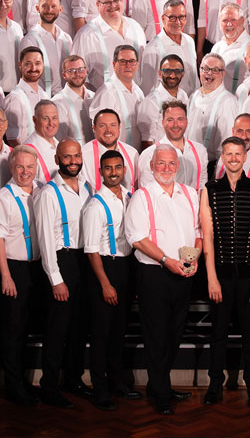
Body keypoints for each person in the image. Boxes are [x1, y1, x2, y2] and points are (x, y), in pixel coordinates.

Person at [125, 146, 202, 415]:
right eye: (161, 163)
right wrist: (166, 261)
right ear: (152, 165)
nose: (166, 168)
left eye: (171, 164)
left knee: (174, 333)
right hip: (155, 274)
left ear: (178, 166)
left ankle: (162, 385)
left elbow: (198, 231)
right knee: (156, 334)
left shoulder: (190, 194)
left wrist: (196, 256)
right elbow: (136, 237)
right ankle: (159, 392)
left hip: (184, 273)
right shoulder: (142, 197)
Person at [200, 136, 250, 408]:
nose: (233, 158)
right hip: (219, 275)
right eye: (228, 153)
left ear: (245, 156)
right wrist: (211, 278)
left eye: (237, 154)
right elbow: (207, 237)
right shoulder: (209, 189)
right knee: (217, 333)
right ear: (222, 156)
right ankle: (214, 384)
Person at [34, 139, 94, 407]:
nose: (73, 161)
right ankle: (49, 386)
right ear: (57, 160)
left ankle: (73, 378)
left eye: (77, 156)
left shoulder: (88, 188)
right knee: (57, 329)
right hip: (62, 261)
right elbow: (45, 239)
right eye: (67, 157)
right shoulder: (48, 192)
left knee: (80, 327)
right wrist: (55, 278)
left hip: (85, 261)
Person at [82, 151, 142, 410]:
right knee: (101, 332)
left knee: (119, 330)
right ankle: (101, 388)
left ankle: (117, 382)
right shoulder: (95, 205)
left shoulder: (130, 197)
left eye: (118, 167)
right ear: (101, 171)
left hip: (127, 265)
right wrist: (105, 283)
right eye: (108, 168)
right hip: (105, 267)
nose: (114, 172)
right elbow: (91, 249)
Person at [0, 146, 42, 406]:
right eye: (20, 167)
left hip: (36, 268)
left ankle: (27, 382)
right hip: (14, 268)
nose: (25, 172)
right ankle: (14, 386)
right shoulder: (2, 198)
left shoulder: (42, 191)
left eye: (30, 167)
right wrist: (5, 276)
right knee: (13, 330)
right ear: (11, 168)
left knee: (29, 328)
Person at [70, 0, 146, 91]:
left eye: (116, 1)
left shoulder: (135, 27)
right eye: (107, 2)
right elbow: (75, 74)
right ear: (98, 5)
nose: (113, 5)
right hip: (105, 100)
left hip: (136, 95)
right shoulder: (85, 35)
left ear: (122, 1)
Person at [137, 100, 208, 190]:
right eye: (170, 120)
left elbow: (203, 187)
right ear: (163, 122)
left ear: (186, 121)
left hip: (195, 203)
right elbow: (147, 191)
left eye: (180, 119)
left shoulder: (200, 150)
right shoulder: (149, 154)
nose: (175, 125)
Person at [187, 54, 240, 164]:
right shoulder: (194, 96)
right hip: (189, 160)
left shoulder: (227, 101)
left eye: (215, 70)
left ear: (223, 73)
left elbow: (227, 143)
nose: (209, 73)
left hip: (210, 164)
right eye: (205, 69)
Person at [90, 45, 145, 150]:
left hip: (133, 154)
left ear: (137, 64)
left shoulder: (138, 92)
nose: (128, 65)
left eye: (132, 61)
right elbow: (101, 133)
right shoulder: (107, 92)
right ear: (114, 64)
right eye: (123, 61)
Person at [139, 0, 198, 95]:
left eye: (181, 17)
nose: (178, 22)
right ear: (163, 18)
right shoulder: (153, 48)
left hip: (192, 103)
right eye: (172, 18)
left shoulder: (189, 41)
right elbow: (147, 88)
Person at [21, 0, 74, 96]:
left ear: (60, 9)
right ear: (37, 8)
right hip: (41, 98)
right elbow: (26, 76)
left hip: (66, 97)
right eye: (44, 6)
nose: (49, 10)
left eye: (53, 6)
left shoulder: (66, 38)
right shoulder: (30, 39)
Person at [137, 54, 190, 147]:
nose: (172, 75)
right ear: (160, 73)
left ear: (183, 74)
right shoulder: (150, 102)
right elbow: (147, 141)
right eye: (167, 71)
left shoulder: (183, 96)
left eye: (177, 71)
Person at [1, 46, 51, 143]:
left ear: (43, 65)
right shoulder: (15, 98)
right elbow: (12, 140)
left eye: (37, 63)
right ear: (20, 65)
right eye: (28, 64)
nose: (33, 68)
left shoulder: (44, 95)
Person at [82, 109, 139, 192]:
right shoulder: (83, 155)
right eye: (102, 125)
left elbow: (136, 186)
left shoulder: (132, 153)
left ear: (119, 127)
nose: (108, 130)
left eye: (113, 125)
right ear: (94, 128)